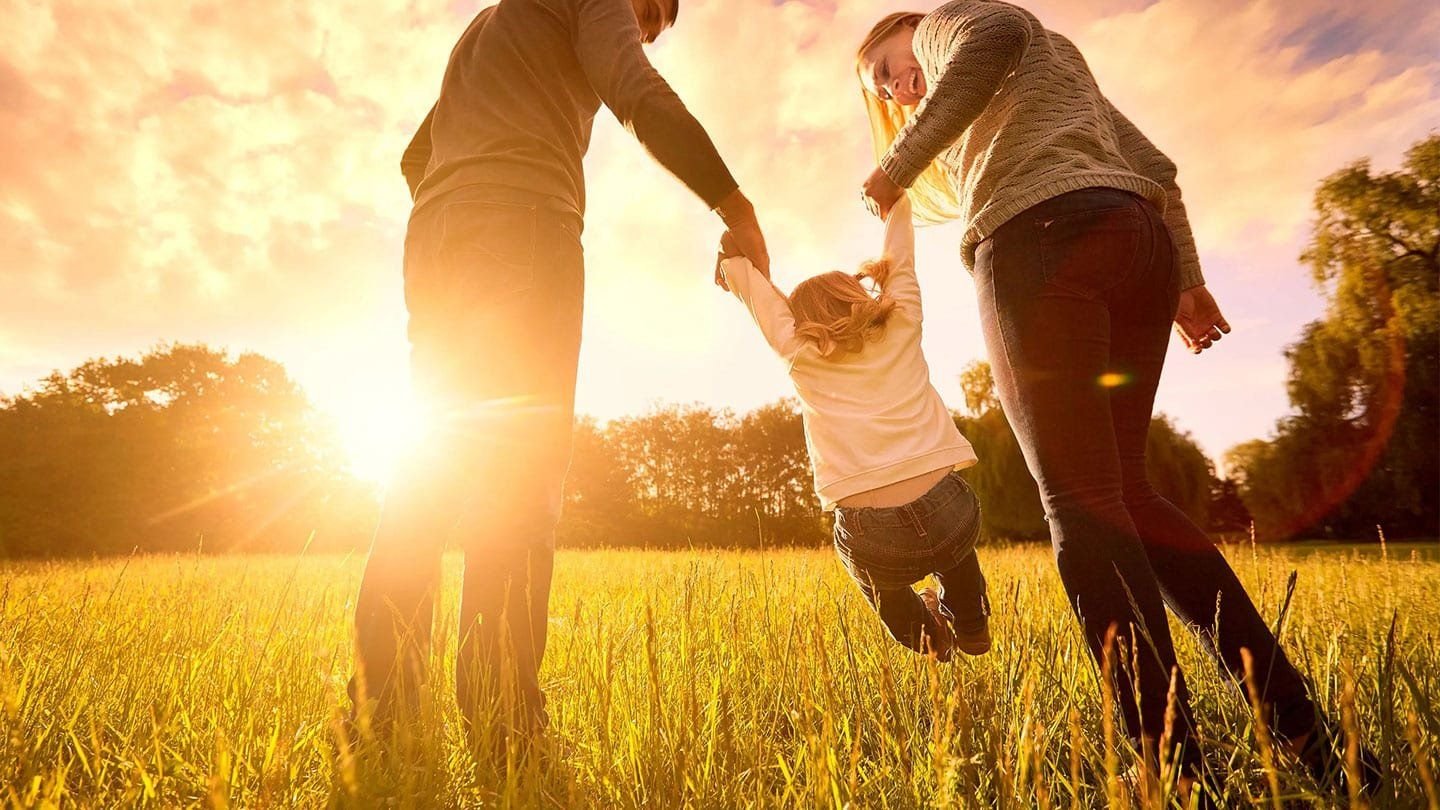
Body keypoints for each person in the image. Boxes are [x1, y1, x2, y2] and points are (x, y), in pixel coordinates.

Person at [854, 2, 1381, 799]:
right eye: (886, 90)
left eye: (890, 67)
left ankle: (1171, 768)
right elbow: (1158, 167)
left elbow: (989, 37)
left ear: (913, 31)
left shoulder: (952, 23)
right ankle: (1308, 732)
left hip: (1039, 240)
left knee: (1078, 503)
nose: (899, 89)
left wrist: (899, 163)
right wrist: (1190, 282)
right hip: (1138, 246)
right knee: (1129, 495)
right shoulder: (1055, 71)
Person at [350, 0, 770, 753]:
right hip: (524, 229)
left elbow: (417, 156)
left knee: (427, 475)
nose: (643, 32)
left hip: (437, 236)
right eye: (649, 16)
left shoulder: (492, 22)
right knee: (519, 479)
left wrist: (467, 204)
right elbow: (634, 92)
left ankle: (383, 716)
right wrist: (732, 202)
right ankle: (504, 724)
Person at [718, 194, 990, 662]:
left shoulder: (798, 352)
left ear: (800, 322)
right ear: (858, 295)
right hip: (948, 508)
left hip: (871, 530)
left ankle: (925, 636)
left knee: (879, 584)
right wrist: (896, 202)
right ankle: (969, 622)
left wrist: (733, 261)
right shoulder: (902, 321)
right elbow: (900, 256)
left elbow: (758, 297)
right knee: (955, 549)